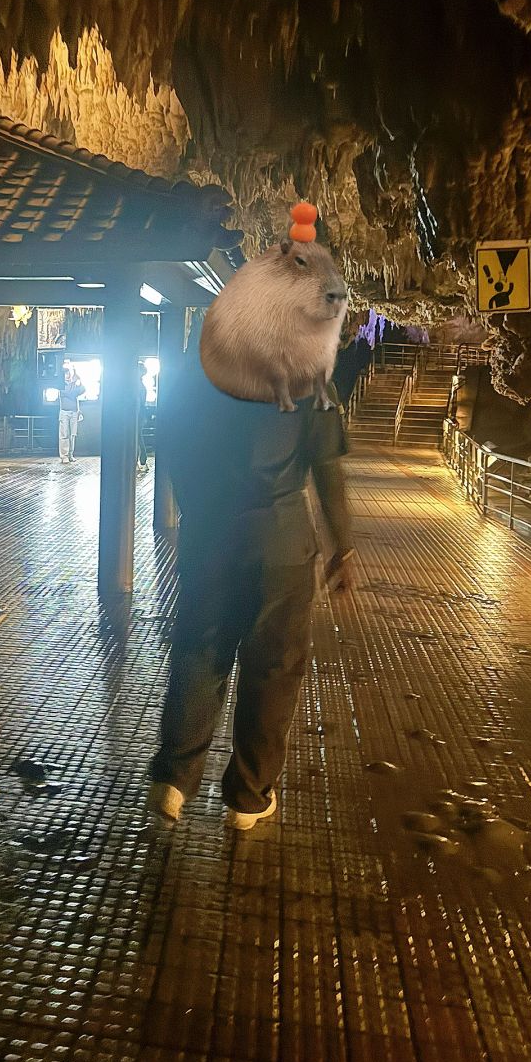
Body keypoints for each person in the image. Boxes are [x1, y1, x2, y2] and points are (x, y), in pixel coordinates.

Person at [147, 352, 355, 831]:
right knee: (274, 668)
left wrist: (198, 513)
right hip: (281, 544)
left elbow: (172, 443)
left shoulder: (199, 365)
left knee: (200, 652)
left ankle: (173, 781)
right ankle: (248, 796)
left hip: (211, 540)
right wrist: (342, 547)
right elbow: (327, 471)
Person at [58, 361, 85, 464]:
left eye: (68, 372)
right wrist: (73, 393)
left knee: (72, 435)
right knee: (64, 434)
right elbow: (66, 394)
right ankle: (63, 455)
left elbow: (82, 390)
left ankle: (70, 454)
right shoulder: (60, 384)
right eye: (65, 373)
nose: (67, 375)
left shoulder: (75, 382)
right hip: (64, 412)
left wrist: (79, 380)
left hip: (74, 412)